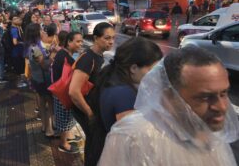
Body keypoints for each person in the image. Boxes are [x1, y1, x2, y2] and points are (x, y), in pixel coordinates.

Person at [98, 47, 239, 166]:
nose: (221, 107)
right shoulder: (134, 137)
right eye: (205, 97)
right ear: (170, 97)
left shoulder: (211, 133)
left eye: (224, 93)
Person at [69, 22, 115, 166]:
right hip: (86, 110)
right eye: (107, 38)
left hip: (91, 108)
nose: (111, 42)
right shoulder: (88, 59)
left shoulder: (98, 55)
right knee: (95, 145)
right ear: (96, 38)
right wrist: (90, 114)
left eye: (113, 38)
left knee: (93, 143)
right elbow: (73, 91)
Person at [52, 32, 84, 154]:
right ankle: (63, 144)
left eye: (81, 41)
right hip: (62, 93)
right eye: (77, 41)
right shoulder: (66, 57)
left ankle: (69, 137)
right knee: (64, 119)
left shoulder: (62, 52)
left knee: (67, 117)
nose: (80, 44)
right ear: (69, 42)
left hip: (60, 91)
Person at [25, 23, 56, 137]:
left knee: (42, 104)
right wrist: (53, 54)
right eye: (41, 30)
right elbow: (45, 65)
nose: (43, 32)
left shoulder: (32, 47)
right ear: (36, 34)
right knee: (49, 104)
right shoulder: (36, 49)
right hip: (43, 81)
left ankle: (44, 126)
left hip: (37, 79)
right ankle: (50, 130)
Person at [10, 16, 27, 88]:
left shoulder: (17, 28)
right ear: (14, 21)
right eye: (18, 19)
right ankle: (18, 83)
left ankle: (20, 82)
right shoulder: (14, 30)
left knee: (20, 67)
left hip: (18, 52)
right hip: (16, 52)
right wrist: (22, 43)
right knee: (18, 69)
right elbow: (14, 42)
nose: (21, 20)